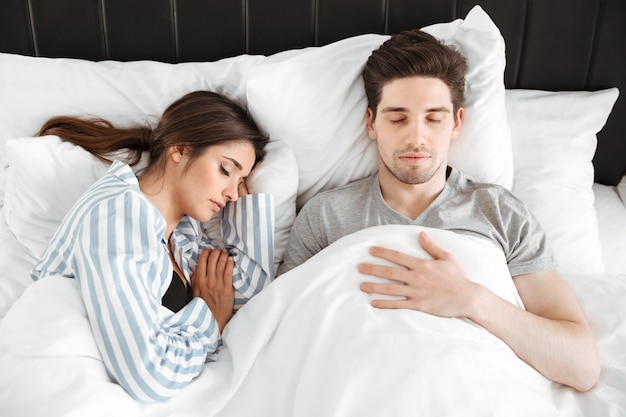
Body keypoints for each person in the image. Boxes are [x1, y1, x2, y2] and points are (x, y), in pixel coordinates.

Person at [278, 30, 600, 392]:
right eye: (398, 118)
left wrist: (472, 299)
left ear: (456, 123)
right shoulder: (326, 215)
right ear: (371, 123)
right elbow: (280, 334)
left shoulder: (499, 211)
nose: (416, 137)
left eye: (434, 118)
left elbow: (582, 366)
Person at [31, 91, 275, 402]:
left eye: (241, 181)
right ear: (181, 149)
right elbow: (150, 373)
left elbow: (248, 293)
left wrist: (247, 196)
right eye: (226, 170)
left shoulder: (182, 237)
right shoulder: (116, 215)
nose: (233, 194)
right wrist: (210, 319)